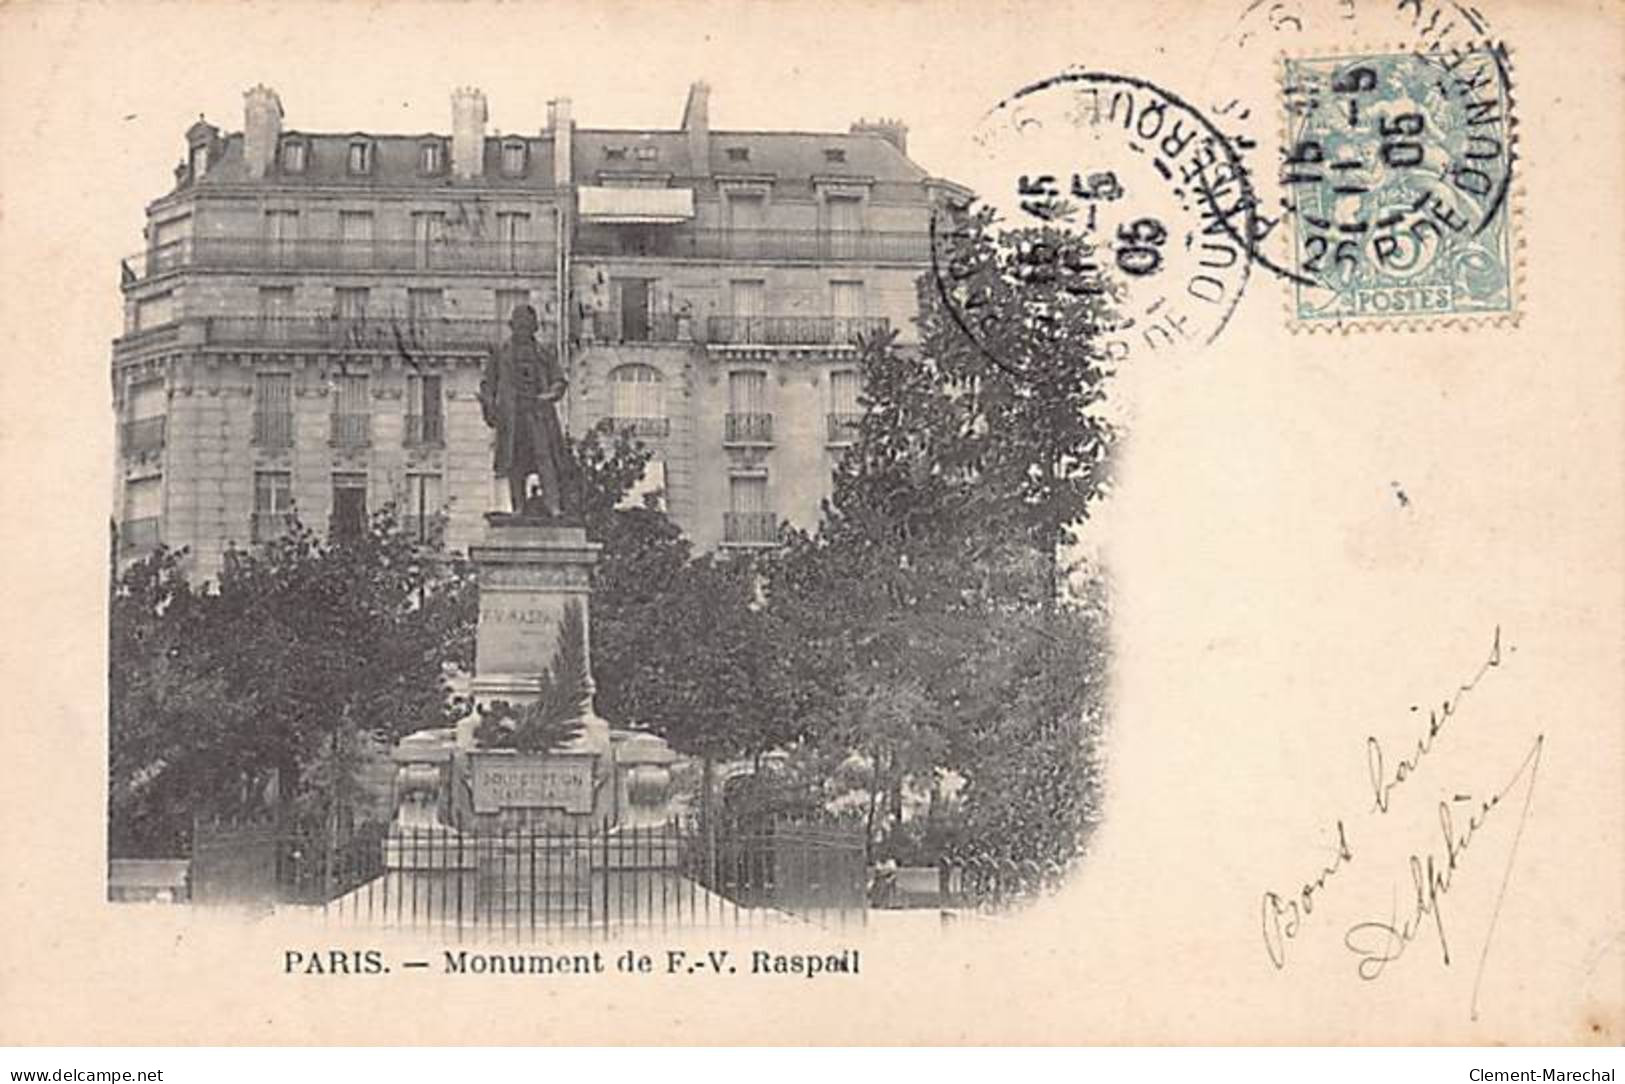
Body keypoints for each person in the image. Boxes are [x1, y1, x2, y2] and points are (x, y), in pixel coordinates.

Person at [479, 304, 572, 518]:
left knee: (545, 459)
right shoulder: (501, 353)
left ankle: (554, 506)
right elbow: (488, 384)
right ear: (512, 327)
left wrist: (549, 395)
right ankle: (518, 507)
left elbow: (559, 380)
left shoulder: (544, 353)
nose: (523, 330)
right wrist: (489, 406)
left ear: (534, 328)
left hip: (539, 414)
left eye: (528, 326)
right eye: (519, 326)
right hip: (512, 415)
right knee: (515, 462)